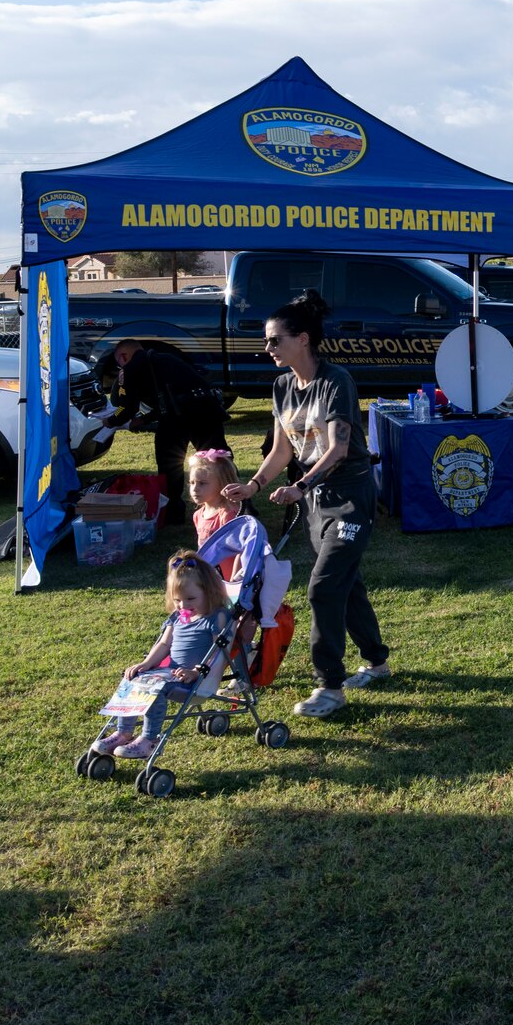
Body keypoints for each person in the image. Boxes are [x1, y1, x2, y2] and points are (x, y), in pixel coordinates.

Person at [220, 292, 389, 719]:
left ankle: (329, 686)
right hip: (315, 500)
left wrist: (301, 484)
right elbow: (281, 449)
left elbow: (337, 448)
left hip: (350, 495)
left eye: (276, 341)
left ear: (304, 339)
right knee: (346, 584)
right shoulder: (281, 386)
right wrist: (254, 485)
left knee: (323, 587)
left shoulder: (336, 382)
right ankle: (377, 662)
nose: (268, 349)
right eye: (267, 341)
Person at [91, 551, 235, 759]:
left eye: (191, 599)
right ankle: (123, 732)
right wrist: (147, 663)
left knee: (155, 689)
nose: (183, 605)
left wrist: (197, 672)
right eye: (177, 600)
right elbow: (165, 643)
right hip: (169, 672)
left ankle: (149, 739)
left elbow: (220, 651)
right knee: (133, 679)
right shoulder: (178, 617)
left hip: (194, 680)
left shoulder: (216, 617)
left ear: (209, 592)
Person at [108, 339, 229, 525]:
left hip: (178, 416)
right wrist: (144, 419)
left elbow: (125, 408)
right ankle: (238, 502)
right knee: (218, 458)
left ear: (123, 356)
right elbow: (170, 396)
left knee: (169, 463)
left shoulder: (130, 369)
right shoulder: (165, 359)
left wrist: (110, 419)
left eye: (119, 362)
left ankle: (173, 511)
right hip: (206, 408)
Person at [186, 448, 243, 577]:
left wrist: (235, 578)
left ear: (222, 484)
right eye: (192, 483)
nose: (195, 489)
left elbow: (240, 551)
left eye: (202, 483)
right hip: (210, 578)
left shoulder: (228, 515)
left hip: (229, 580)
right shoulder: (198, 515)